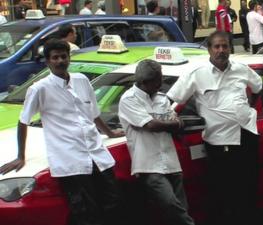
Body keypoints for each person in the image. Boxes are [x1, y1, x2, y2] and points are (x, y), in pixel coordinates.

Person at [0, 39, 124, 225]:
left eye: (63, 56)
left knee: (111, 202)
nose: (60, 61)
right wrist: (20, 156)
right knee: (84, 210)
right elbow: (23, 121)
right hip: (69, 159)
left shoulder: (82, 80)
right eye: (55, 58)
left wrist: (110, 133)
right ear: (48, 62)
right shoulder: (39, 88)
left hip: (96, 153)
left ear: (69, 58)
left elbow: (93, 113)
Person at [167, 30, 262, 225]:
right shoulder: (196, 74)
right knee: (223, 191)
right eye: (216, 46)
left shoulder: (242, 69)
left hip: (247, 135)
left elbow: (258, 88)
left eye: (225, 46)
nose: (221, 50)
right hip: (218, 141)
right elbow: (171, 100)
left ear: (230, 48)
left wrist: (249, 109)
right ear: (209, 50)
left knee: (248, 188)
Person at [118, 59, 195, 225]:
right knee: (170, 204)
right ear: (145, 82)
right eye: (158, 80)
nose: (161, 84)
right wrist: (171, 123)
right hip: (149, 165)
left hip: (171, 161)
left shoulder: (162, 98)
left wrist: (170, 123)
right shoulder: (129, 100)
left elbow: (174, 122)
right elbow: (151, 125)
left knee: (180, 207)